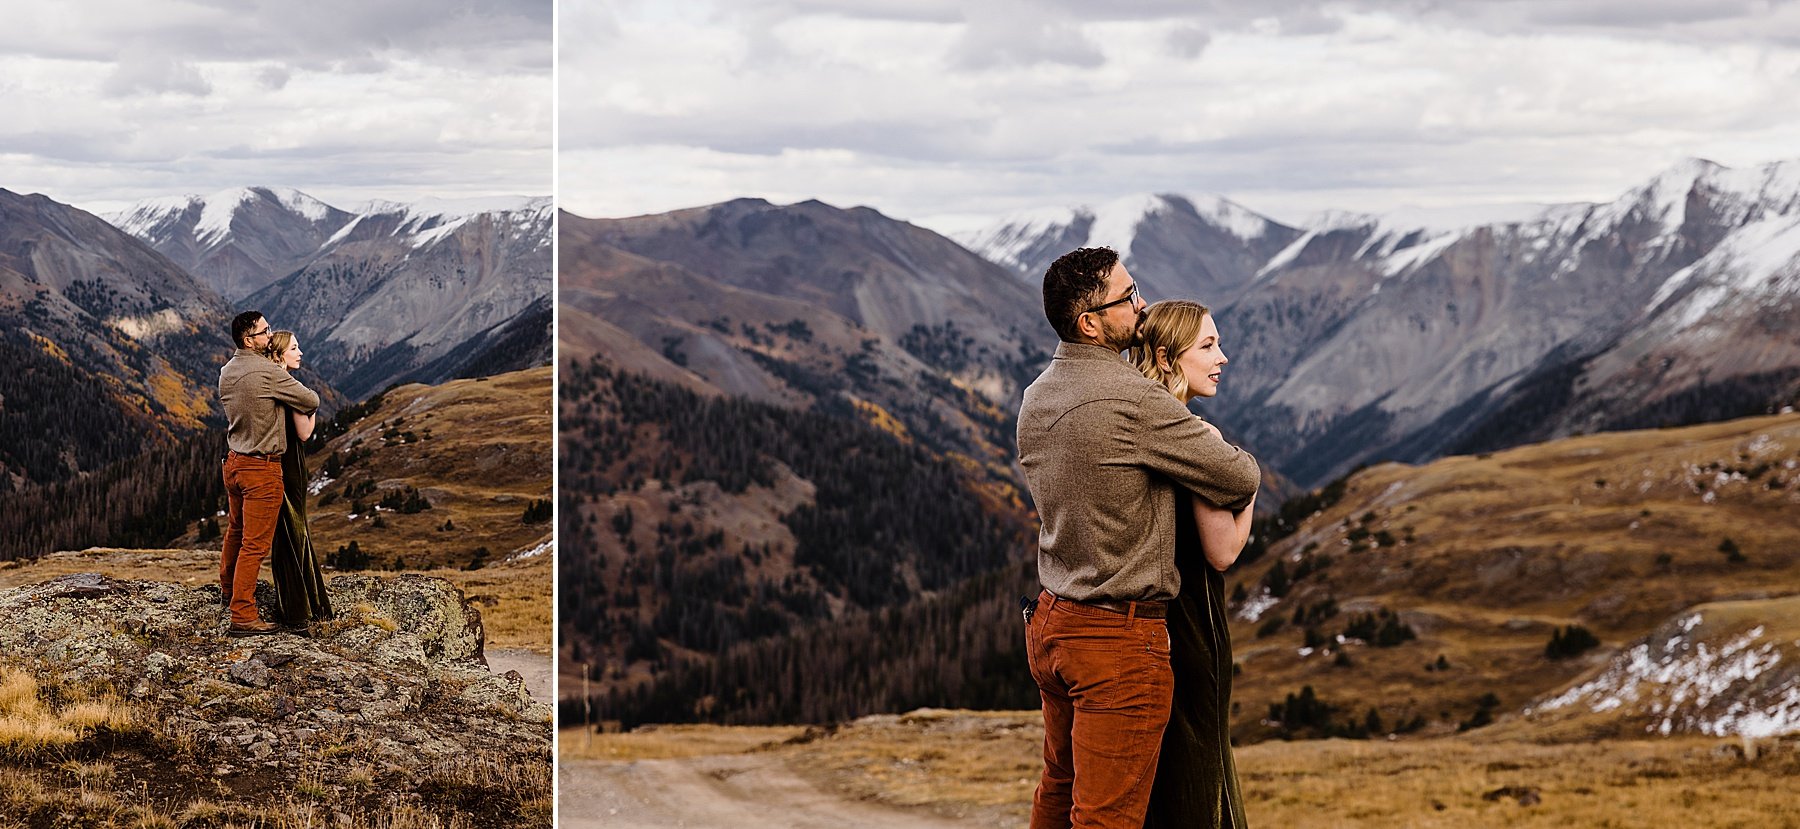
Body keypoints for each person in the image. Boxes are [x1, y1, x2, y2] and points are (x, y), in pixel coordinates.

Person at [1017, 248, 1260, 829]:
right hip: (1117, 638)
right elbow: (1237, 476)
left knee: (1060, 787)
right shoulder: (1133, 399)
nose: (1140, 304)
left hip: (1053, 621)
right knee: (1108, 817)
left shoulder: (1038, 394)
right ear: (1090, 323)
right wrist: (1237, 460)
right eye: (1127, 298)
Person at [1133, 300, 1254, 829]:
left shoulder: (1133, 421)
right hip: (1193, 621)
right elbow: (1222, 551)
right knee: (1201, 764)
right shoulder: (1190, 438)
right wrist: (1249, 495)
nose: (1222, 357)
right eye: (1207, 346)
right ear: (1165, 358)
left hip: (1146, 620)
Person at [219, 311, 320, 637]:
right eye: (265, 332)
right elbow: (310, 399)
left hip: (233, 462)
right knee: (255, 544)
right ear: (249, 340)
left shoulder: (227, 370)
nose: (270, 335)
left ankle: (227, 590)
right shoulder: (265, 372)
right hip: (261, 468)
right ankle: (243, 614)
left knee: (236, 531)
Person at [261, 330, 333, 628]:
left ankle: (293, 601)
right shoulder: (288, 385)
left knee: (286, 530)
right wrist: (313, 407)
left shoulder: (267, 380)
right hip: (290, 462)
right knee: (295, 528)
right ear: (279, 355)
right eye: (294, 347)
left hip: (275, 460)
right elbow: (304, 432)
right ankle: (303, 605)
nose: (300, 351)